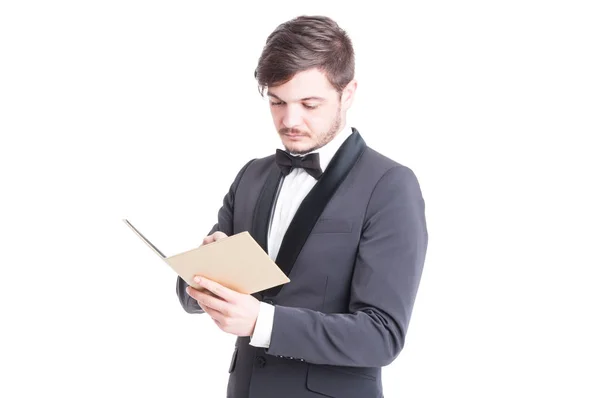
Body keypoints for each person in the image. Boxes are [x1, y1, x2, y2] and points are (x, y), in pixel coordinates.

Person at [176, 15, 428, 398]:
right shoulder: (251, 176)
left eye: (309, 104)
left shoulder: (390, 186)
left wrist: (264, 322)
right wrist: (203, 275)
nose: (289, 120)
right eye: (277, 102)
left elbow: (382, 335)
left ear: (348, 93)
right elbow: (189, 296)